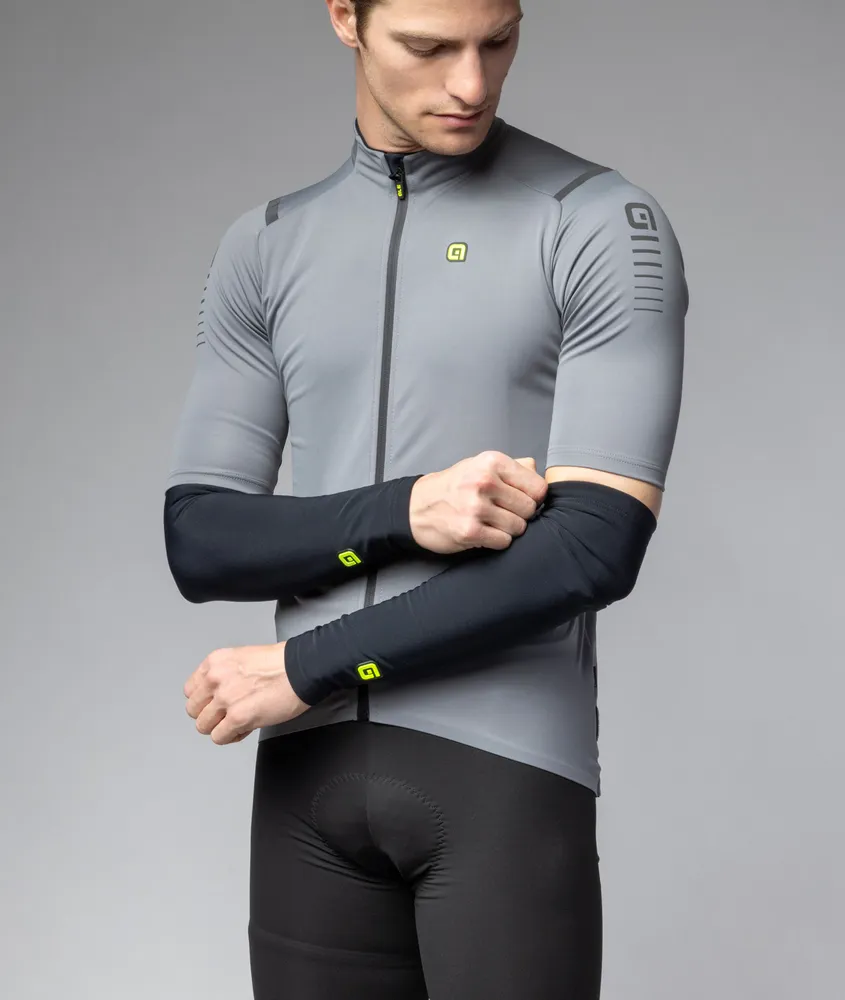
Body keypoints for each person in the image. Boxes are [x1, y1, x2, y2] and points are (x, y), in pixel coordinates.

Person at [163, 0, 688, 996]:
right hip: (307, 794)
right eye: (429, 47)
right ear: (345, 17)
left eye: (498, 40)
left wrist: (305, 665)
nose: (471, 83)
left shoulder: (595, 223)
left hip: (500, 776)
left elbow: (594, 545)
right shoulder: (265, 245)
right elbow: (201, 539)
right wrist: (403, 511)